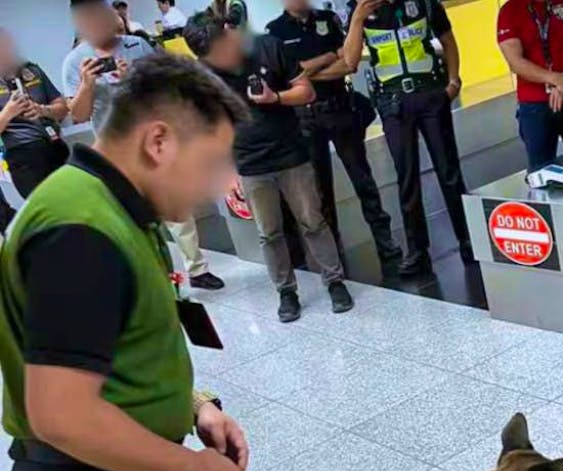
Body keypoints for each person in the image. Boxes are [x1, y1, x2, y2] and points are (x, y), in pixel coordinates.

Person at [1, 53, 253, 471]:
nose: (220, 186)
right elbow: (61, 415)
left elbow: (116, 346)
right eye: (211, 163)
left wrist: (195, 405)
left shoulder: (113, 204)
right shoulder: (79, 232)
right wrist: (189, 468)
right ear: (158, 142)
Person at [185, 12, 355, 321]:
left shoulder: (267, 47)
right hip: (249, 164)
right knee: (269, 233)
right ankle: (286, 292)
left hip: (290, 153)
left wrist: (274, 97)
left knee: (313, 221)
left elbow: (306, 92)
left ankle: (334, 281)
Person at [65, 0, 228, 291]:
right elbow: (77, 113)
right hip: (115, 151)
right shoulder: (75, 61)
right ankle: (153, 279)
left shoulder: (137, 45)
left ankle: (197, 269)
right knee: (131, 216)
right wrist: (87, 85)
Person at [343, 0, 474, 276]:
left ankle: (469, 240)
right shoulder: (360, 8)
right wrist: (357, 19)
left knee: (449, 172)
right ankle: (418, 252)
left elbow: (448, 40)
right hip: (393, 103)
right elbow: (350, 62)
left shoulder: (424, 2)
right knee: (407, 177)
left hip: (431, 94)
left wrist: (453, 81)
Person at [266, 0, 402, 265]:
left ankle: (386, 243)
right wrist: (329, 57)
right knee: (320, 192)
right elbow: (290, 77)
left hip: (340, 109)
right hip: (307, 118)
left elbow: (349, 61)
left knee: (363, 180)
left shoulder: (328, 19)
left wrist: (308, 71)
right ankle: (334, 253)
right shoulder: (276, 31)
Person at [497, 0, 563, 172]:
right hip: (535, 105)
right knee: (541, 170)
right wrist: (555, 79)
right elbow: (516, 62)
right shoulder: (510, 11)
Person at [0, 29, 71, 199]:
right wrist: (8, 112)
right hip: (24, 155)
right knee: (48, 208)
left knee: (74, 200)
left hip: (55, 145)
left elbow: (63, 107)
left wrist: (42, 110)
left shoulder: (32, 70)